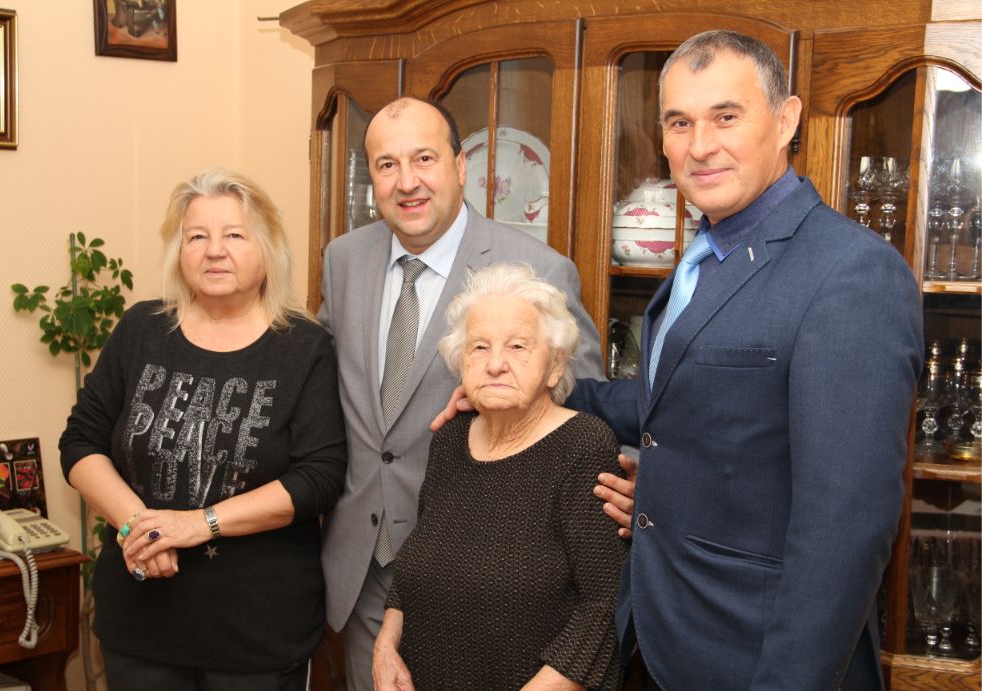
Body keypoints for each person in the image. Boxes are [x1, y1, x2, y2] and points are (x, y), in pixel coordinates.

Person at [437, 30, 924, 689]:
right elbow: (674, 400)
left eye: (726, 116)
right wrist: (534, 386)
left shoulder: (852, 273)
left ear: (786, 121)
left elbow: (845, 532)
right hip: (661, 636)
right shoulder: (706, 252)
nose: (700, 145)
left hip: (760, 658)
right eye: (679, 122)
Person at [317, 96, 631, 691]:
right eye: (387, 164)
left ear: (461, 165)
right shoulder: (344, 259)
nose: (407, 181)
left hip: (508, 585)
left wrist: (628, 488)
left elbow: (583, 407)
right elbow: (326, 393)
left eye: (424, 158)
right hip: (365, 570)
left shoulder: (538, 267)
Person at [59, 169, 347, 691]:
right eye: (197, 236)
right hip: (139, 624)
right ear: (179, 251)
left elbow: (319, 477)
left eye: (234, 234)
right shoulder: (142, 329)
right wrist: (140, 527)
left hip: (257, 634)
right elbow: (80, 441)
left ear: (267, 250)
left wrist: (199, 524)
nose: (215, 251)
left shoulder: (304, 347)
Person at [372, 264, 627, 691]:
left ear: (555, 365)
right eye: (479, 347)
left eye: (517, 346)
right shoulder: (451, 439)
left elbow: (604, 607)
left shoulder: (583, 445)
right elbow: (421, 560)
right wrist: (385, 645)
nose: (495, 365)